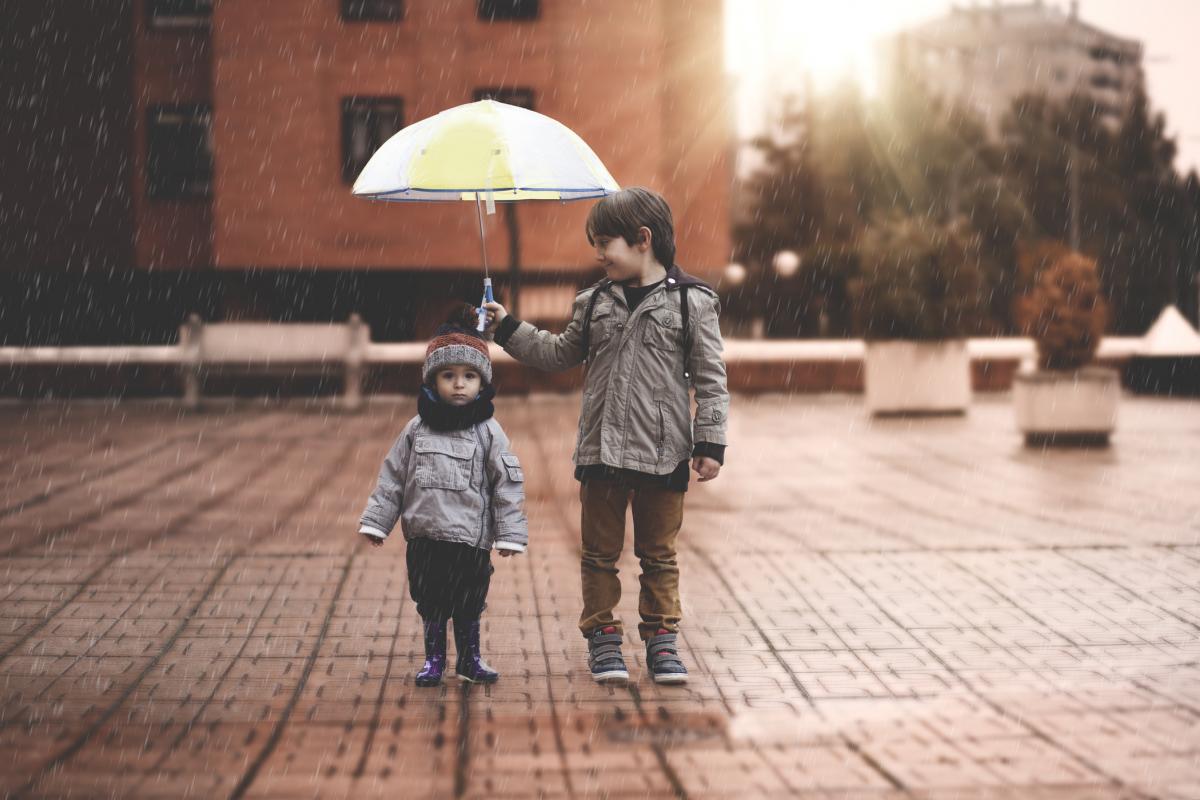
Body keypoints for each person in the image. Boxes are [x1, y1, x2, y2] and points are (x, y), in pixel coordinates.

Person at [483, 187, 729, 684]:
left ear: (643, 239)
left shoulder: (691, 303)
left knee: (658, 556)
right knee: (598, 555)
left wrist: (709, 442)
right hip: (601, 451)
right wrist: (507, 327)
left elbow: (711, 377)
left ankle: (662, 642)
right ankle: (603, 640)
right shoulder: (594, 302)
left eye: (605, 242)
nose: (597, 254)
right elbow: (557, 353)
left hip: (664, 454)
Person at [358, 308, 528, 686]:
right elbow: (393, 477)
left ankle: (470, 658)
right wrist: (377, 521)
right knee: (431, 602)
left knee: (469, 603)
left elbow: (507, 482)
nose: (458, 384)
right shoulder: (416, 429)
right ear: (432, 380)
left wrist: (511, 533)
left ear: (482, 383)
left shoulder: (488, 431)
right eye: (448, 376)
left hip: (470, 539)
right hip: (426, 538)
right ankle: (433, 659)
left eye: (469, 376)